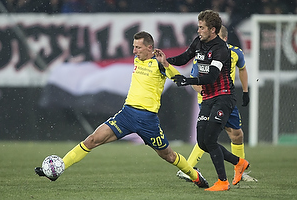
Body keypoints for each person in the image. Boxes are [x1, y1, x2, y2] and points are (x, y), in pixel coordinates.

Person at [34, 31, 209, 188]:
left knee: (168, 156)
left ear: (149, 48)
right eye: (134, 47)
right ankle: (59, 168)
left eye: (138, 47)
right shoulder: (136, 61)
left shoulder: (160, 65)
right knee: (93, 139)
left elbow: (179, 79)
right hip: (126, 114)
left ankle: (195, 176)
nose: (134, 51)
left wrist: (166, 64)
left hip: (148, 120)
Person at [169, 10, 250, 191]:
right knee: (203, 142)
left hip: (223, 97)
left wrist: (188, 81)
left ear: (212, 29)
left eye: (201, 27)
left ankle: (223, 182)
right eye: (198, 27)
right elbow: (184, 58)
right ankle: (239, 163)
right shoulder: (199, 43)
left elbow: (212, 77)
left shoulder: (221, 49)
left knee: (213, 139)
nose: (198, 30)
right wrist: (163, 60)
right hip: (207, 98)